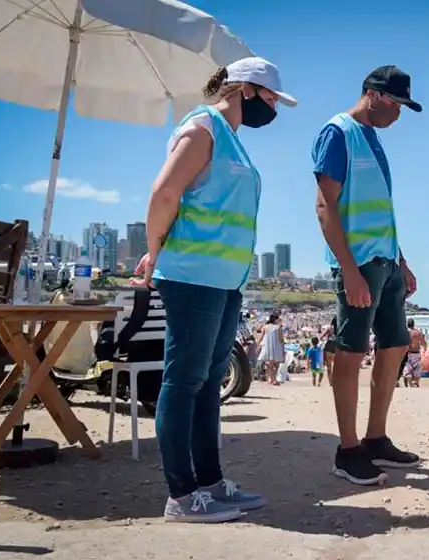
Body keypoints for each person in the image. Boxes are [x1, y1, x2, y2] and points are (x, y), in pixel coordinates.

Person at [130, 57, 297, 522]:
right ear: (244, 89)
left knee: (207, 385)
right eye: (269, 99)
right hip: (193, 276)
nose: (273, 110)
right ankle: (181, 497)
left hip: (225, 281)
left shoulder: (231, 140)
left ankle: (210, 483)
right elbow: (164, 193)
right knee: (183, 382)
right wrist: (155, 248)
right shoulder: (203, 127)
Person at [312, 65, 423, 485]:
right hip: (357, 262)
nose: (398, 115)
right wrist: (347, 269)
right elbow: (326, 206)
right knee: (351, 350)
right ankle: (348, 448)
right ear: (373, 95)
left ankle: (376, 437)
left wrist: (402, 260)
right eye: (396, 104)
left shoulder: (372, 138)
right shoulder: (337, 132)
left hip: (386, 261)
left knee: (396, 344)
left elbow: (381, 210)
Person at [258, 313, 285, 385]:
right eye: (278, 319)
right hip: (277, 348)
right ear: (275, 319)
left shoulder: (265, 327)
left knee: (270, 365)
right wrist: (283, 348)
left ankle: (271, 379)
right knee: (276, 365)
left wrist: (258, 345)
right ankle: (273, 379)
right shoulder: (278, 327)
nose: (279, 320)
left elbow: (261, 337)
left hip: (268, 347)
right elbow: (281, 339)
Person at [403, 318, 426, 388]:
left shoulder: (405, 332)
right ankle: (416, 384)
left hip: (408, 353)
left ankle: (408, 381)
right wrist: (424, 349)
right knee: (417, 371)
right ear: (413, 324)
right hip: (417, 353)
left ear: (407, 324)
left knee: (407, 370)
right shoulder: (418, 333)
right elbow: (424, 343)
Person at [321, 316, 337, 387]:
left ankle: (331, 383)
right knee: (337, 366)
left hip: (328, 349)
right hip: (337, 349)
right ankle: (337, 382)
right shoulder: (341, 328)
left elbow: (321, 337)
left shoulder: (329, 328)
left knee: (329, 367)